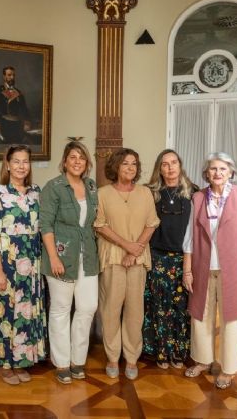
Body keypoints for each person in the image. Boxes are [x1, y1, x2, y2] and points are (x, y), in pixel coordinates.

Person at [182, 152, 237, 390]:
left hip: (234, 269)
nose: (218, 173)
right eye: (213, 169)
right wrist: (187, 271)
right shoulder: (197, 198)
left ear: (231, 173)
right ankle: (203, 360)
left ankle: (228, 369)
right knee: (200, 316)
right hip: (202, 266)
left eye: (223, 169)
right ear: (207, 173)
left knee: (231, 319)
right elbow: (189, 238)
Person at [94, 148, 160, 380]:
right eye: (125, 164)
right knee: (110, 310)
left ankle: (131, 358)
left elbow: (151, 224)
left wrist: (135, 250)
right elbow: (99, 225)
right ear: (115, 167)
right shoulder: (102, 193)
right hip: (112, 257)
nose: (130, 168)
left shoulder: (145, 193)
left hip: (138, 259)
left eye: (134, 164)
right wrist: (126, 245)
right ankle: (113, 357)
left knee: (135, 310)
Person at [0, 145, 47, 385]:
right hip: (7, 264)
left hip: (32, 264)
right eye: (17, 161)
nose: (22, 166)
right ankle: (4, 363)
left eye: (26, 161)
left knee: (26, 314)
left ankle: (22, 361)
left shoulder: (36, 192)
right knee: (6, 314)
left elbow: (42, 229)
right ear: (8, 164)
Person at [40, 140, 99, 384]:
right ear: (64, 161)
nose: (77, 161)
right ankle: (63, 362)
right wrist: (53, 257)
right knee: (61, 310)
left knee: (87, 308)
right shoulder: (53, 187)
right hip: (61, 256)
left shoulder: (91, 186)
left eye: (82, 158)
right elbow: (45, 224)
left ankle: (78, 359)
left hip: (88, 257)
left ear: (87, 163)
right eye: (73, 157)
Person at [143, 149, 198, 369]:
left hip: (185, 260)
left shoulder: (194, 193)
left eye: (174, 162)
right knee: (158, 306)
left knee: (181, 307)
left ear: (180, 165)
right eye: (165, 164)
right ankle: (160, 352)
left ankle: (179, 353)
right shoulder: (150, 193)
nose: (170, 167)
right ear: (160, 168)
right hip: (157, 257)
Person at [0, 66, 32, 144]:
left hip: (17, 126)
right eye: (9, 75)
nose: (12, 77)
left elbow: (24, 109)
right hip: (4, 125)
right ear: (4, 76)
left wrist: (27, 122)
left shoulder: (19, 93)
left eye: (13, 75)